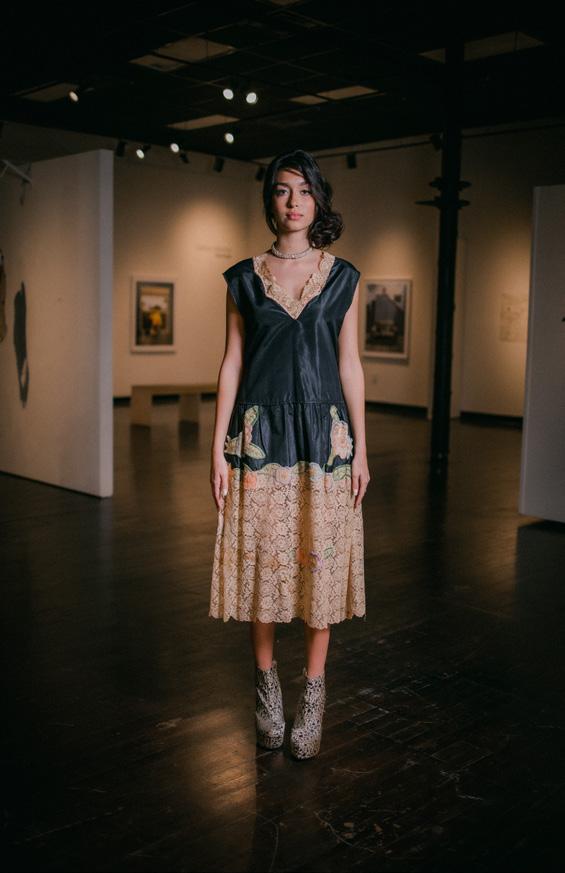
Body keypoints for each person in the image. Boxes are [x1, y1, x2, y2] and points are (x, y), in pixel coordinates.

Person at [209, 148, 370, 759]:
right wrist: (218, 448)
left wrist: (361, 448)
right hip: (259, 440)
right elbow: (232, 363)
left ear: (318, 200)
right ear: (270, 201)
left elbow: (350, 365)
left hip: (324, 442)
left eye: (304, 190)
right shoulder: (243, 279)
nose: (293, 201)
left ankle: (314, 694)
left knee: (317, 568)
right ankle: (266, 687)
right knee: (264, 567)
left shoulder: (344, 277)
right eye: (282, 190)